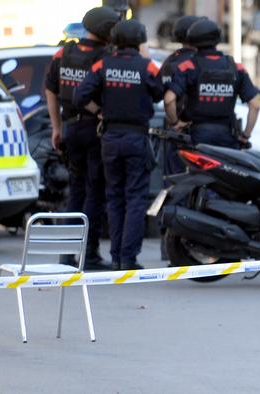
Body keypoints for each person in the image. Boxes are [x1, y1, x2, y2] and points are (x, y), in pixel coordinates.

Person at [74, 19, 164, 271]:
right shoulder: (147, 67)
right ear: (139, 41)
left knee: (114, 197)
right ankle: (128, 258)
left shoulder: (103, 64)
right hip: (136, 138)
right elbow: (159, 93)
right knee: (135, 198)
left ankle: (115, 257)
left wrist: (100, 110)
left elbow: (79, 96)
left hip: (110, 139)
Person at [45, 6, 120, 269]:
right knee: (94, 192)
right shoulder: (107, 56)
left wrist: (56, 127)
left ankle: (67, 256)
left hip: (71, 130)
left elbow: (51, 90)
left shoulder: (63, 52)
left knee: (75, 192)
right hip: (96, 131)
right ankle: (89, 254)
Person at [164, 19, 260, 149]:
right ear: (218, 39)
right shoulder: (236, 67)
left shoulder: (188, 66)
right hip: (228, 137)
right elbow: (255, 106)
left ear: (193, 40)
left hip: (197, 137)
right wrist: (245, 136)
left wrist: (175, 123)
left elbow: (169, 99)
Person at [157, 15, 202, 176]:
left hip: (175, 133)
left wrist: (175, 122)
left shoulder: (169, 61)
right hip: (200, 131)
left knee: (174, 184)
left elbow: (158, 94)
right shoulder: (200, 61)